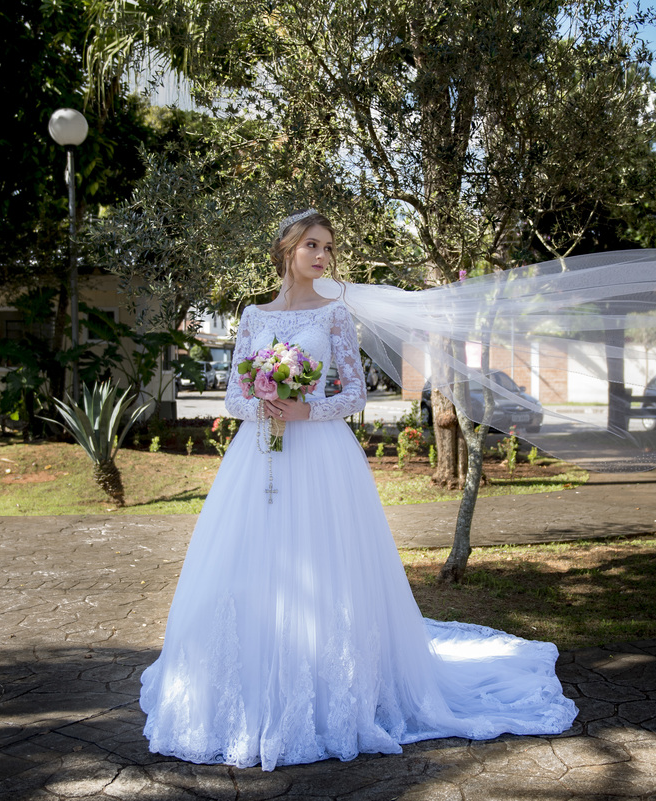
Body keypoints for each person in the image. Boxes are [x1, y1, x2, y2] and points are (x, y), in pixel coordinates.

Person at [138, 209, 580, 771]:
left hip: (321, 455)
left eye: (328, 247)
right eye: (312, 245)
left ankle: (335, 691)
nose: (322, 256)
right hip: (258, 456)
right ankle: (243, 688)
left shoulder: (335, 315)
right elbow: (232, 396)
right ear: (287, 249)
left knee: (325, 563)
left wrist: (306, 409)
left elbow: (354, 394)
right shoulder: (252, 316)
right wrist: (262, 403)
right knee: (250, 563)